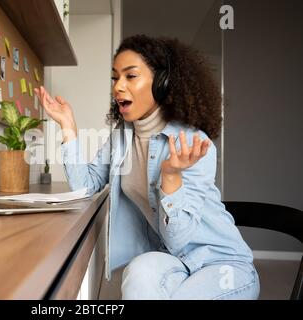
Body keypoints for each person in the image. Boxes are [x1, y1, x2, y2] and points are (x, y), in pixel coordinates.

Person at [34, 34, 260, 300]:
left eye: (130, 76)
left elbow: (179, 237)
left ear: (162, 84)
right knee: (140, 271)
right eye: (114, 77)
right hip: (172, 261)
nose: (118, 87)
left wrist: (171, 176)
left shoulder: (192, 142)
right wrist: (68, 127)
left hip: (222, 264)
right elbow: (86, 185)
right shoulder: (122, 136)